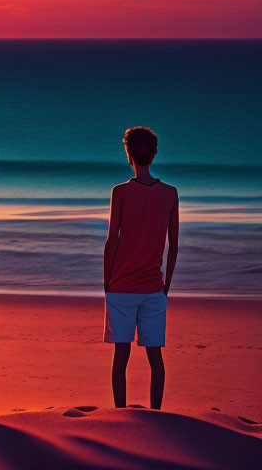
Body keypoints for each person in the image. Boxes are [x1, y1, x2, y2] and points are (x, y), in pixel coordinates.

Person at [103, 127, 179, 409]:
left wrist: (106, 282)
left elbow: (112, 241)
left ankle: (119, 412)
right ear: (154, 153)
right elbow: (174, 245)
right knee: (155, 357)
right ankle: (156, 412)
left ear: (128, 153)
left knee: (120, 355)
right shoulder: (170, 194)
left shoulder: (120, 192)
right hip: (153, 288)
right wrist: (166, 285)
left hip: (121, 286)